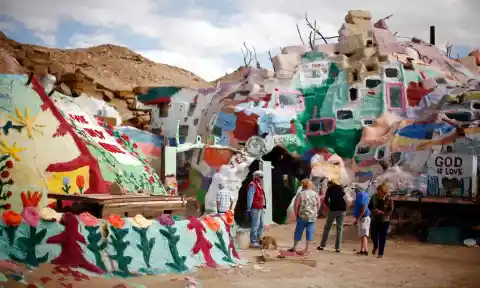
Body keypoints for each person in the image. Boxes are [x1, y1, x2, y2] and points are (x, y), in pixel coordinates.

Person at [288, 179, 320, 254]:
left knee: (298, 231)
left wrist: (296, 214)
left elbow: (296, 205)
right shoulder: (315, 194)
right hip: (312, 217)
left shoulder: (300, 194)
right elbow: (318, 204)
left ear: (303, 185)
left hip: (302, 216)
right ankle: (307, 249)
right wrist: (316, 212)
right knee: (310, 232)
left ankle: (294, 247)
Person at [318, 180, 347, 252]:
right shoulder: (341, 187)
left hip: (333, 209)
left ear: (330, 184)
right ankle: (338, 247)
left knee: (327, 227)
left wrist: (329, 206)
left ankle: (322, 245)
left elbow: (326, 200)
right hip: (342, 209)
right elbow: (345, 198)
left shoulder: (329, 189)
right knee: (339, 229)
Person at [369, 182, 394, 258]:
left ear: (383, 191)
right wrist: (374, 210)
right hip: (375, 218)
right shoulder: (374, 197)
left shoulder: (389, 199)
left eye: (379, 190)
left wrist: (383, 212)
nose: (378, 192)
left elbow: (390, 209)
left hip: (384, 220)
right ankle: (375, 245)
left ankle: (381, 253)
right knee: (373, 235)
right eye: (378, 190)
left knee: (382, 237)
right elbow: (369, 206)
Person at [246, 170, 266, 248]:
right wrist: (248, 209)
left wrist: (264, 206)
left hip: (260, 207)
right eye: (260, 176)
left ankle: (259, 240)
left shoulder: (259, 185)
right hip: (255, 208)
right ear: (256, 176)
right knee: (255, 225)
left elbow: (262, 196)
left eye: (262, 177)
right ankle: (253, 241)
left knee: (261, 224)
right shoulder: (252, 185)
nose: (261, 178)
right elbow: (250, 198)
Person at [352, 186, 371, 255]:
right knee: (362, 235)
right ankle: (363, 249)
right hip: (362, 217)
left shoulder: (361, 195)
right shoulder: (363, 195)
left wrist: (358, 218)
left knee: (363, 235)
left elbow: (363, 207)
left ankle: (364, 250)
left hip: (363, 218)